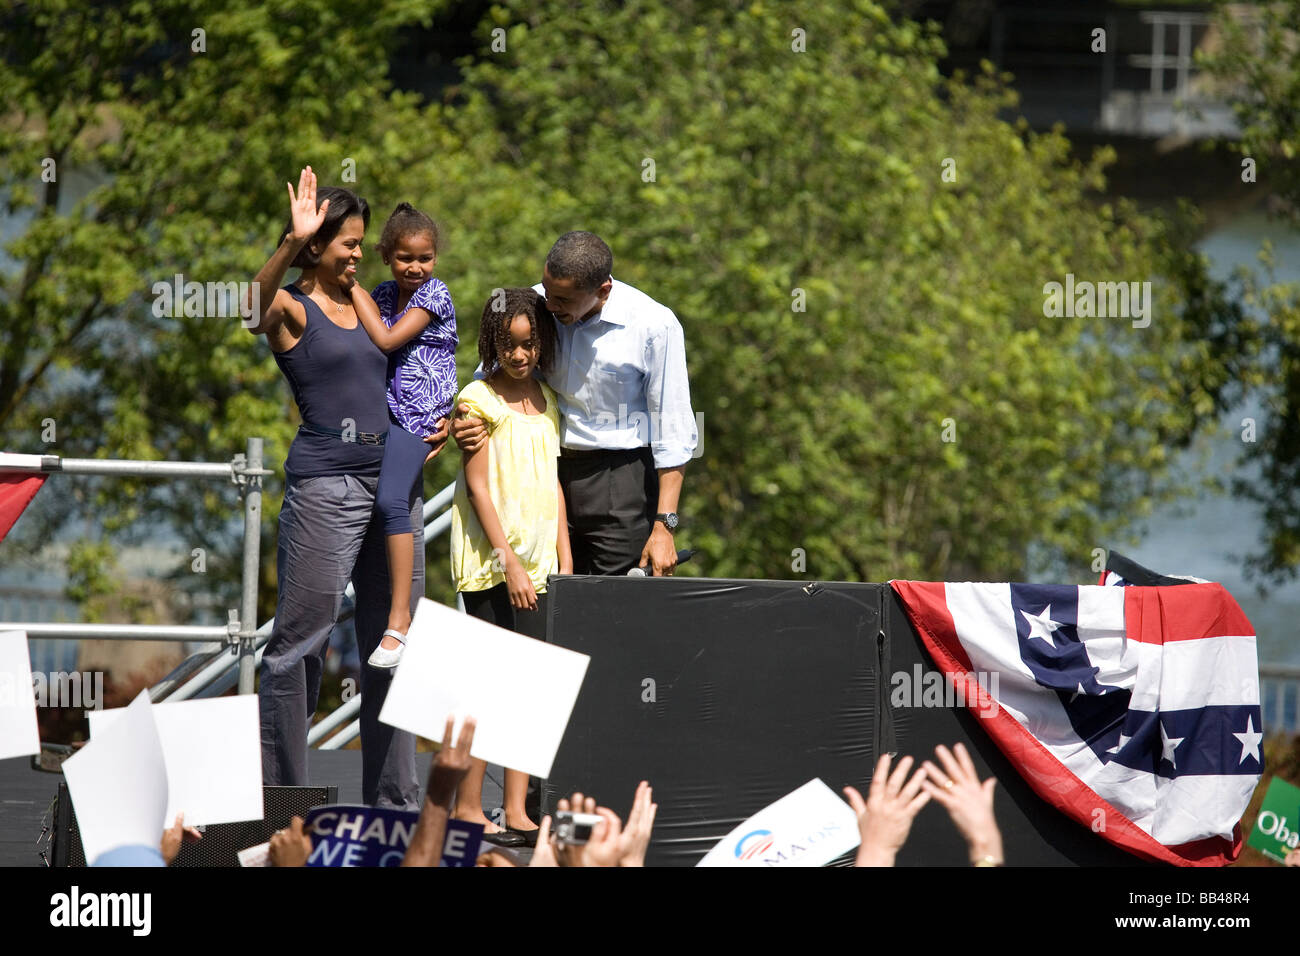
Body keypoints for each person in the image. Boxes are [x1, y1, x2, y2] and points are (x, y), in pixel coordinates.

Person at [245, 167, 444, 809]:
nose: (358, 253)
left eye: (361, 243)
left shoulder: (377, 303)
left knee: (394, 647)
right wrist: (287, 241)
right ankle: (282, 807)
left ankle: (394, 807)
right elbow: (251, 305)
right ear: (314, 245)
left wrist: (438, 423)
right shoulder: (292, 310)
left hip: (394, 484)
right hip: (326, 487)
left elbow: (417, 368)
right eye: (347, 243)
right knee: (298, 646)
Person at [451, 231, 696, 576]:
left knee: (614, 607)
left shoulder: (654, 325)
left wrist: (664, 525)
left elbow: (674, 431)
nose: (549, 305)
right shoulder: (537, 304)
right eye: (547, 290)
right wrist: (463, 420)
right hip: (546, 473)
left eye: (563, 299)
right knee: (548, 601)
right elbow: (488, 378)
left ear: (603, 290)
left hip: (621, 482)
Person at [449, 288, 571, 843]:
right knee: (489, 687)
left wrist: (564, 561)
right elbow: (478, 489)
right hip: (495, 566)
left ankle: (517, 810)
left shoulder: (547, 402)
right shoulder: (477, 399)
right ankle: (469, 808)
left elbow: (554, 487)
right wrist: (511, 564)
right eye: (509, 344)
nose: (520, 355)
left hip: (544, 566)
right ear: (492, 342)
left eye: (529, 344)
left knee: (530, 688)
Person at [349, 202, 458, 669]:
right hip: (386, 413)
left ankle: (401, 620)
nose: (416, 267)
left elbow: (388, 341)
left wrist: (347, 284)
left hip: (419, 415)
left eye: (425, 257)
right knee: (378, 502)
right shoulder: (383, 293)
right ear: (388, 257)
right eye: (405, 258)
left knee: (392, 502)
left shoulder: (434, 295)